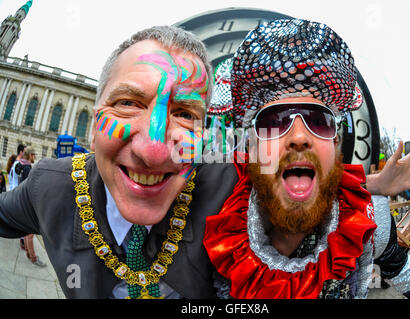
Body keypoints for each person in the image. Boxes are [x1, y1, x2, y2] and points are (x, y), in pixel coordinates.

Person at [203, 19, 410, 299]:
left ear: (334, 143)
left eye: (318, 121)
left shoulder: (368, 223)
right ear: (252, 146)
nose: (298, 137)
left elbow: (401, 270)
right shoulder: (211, 215)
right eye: (275, 120)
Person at [0, 25, 239, 299]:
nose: (153, 151)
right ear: (93, 128)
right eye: (128, 103)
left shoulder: (232, 194)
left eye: (185, 114)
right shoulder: (48, 187)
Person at [14, 147, 46, 267]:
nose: (35, 158)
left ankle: (28, 252)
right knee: (31, 233)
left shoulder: (21, 165)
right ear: (30, 155)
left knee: (27, 231)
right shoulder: (27, 167)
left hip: (21, 200)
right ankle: (33, 257)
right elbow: (30, 187)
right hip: (27, 202)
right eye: (34, 155)